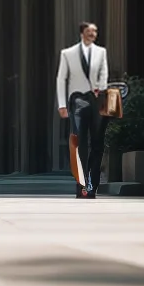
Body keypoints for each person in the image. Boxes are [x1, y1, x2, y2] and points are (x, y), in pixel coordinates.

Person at [57, 21, 110, 198]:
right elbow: (61, 79)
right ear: (82, 33)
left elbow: (104, 73)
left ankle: (93, 185)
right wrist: (62, 105)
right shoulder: (68, 53)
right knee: (78, 142)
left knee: (97, 143)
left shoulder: (101, 52)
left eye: (95, 31)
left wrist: (100, 87)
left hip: (97, 101)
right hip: (77, 100)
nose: (93, 34)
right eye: (89, 31)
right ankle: (81, 185)